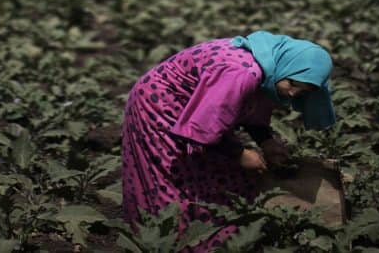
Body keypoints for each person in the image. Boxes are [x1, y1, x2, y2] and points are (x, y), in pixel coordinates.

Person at [120, 30, 336, 247]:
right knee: (172, 178)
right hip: (159, 104)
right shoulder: (241, 72)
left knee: (217, 174)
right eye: (293, 83)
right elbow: (203, 127)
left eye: (302, 91)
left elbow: (247, 108)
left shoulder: (270, 66)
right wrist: (239, 153)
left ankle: (213, 240)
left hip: (197, 111)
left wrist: (266, 141)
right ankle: (168, 242)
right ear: (287, 68)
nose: (293, 93)